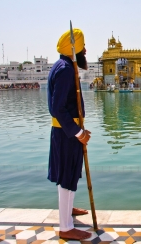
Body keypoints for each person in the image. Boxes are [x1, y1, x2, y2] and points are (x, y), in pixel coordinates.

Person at [47, 28, 92, 240]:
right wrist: (78, 132)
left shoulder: (63, 65)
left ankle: (69, 209)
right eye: (83, 46)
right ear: (74, 49)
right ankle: (65, 227)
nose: (85, 50)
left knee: (70, 173)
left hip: (64, 132)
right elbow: (57, 108)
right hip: (67, 133)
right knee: (66, 177)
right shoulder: (65, 69)